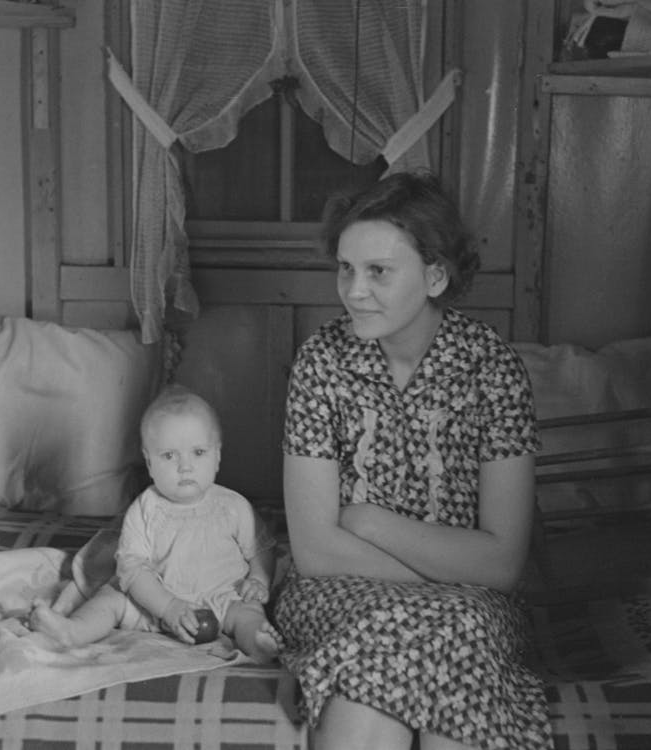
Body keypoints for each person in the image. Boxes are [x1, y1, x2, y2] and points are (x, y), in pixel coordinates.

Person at [275, 171, 552, 749]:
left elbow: (502, 563)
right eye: (346, 268)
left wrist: (370, 521)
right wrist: (445, 583)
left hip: (474, 611)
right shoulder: (321, 362)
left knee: (457, 630)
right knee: (444, 627)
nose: (353, 290)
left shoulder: (492, 370)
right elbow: (316, 551)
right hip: (344, 596)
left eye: (378, 271)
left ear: (434, 275)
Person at [30, 385, 283, 663]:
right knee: (110, 599)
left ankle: (257, 642)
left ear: (218, 455)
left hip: (222, 597)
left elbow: (260, 547)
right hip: (154, 602)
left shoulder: (233, 506)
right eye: (169, 456)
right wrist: (168, 607)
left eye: (198, 452)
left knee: (248, 612)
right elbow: (132, 569)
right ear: (149, 463)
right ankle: (73, 631)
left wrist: (258, 578)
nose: (185, 466)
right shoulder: (145, 509)